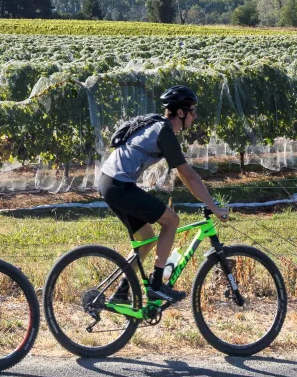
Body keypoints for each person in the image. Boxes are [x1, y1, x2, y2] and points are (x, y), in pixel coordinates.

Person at [97, 85, 229, 304]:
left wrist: (207, 200)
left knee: (147, 239)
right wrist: (213, 206)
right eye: (192, 111)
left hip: (110, 182)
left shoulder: (158, 125)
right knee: (171, 221)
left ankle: (121, 291)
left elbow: (186, 178)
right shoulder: (164, 132)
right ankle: (157, 286)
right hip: (118, 185)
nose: (194, 116)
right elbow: (189, 176)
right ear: (181, 112)